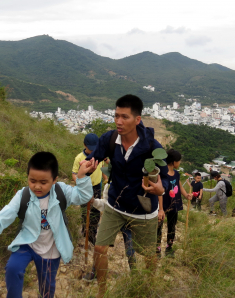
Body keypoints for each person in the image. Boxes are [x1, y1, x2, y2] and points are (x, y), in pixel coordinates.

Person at [0, 152, 96, 298]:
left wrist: (82, 177)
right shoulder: (23, 195)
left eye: (43, 182)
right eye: (32, 180)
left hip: (51, 249)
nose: (37, 186)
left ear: (54, 180)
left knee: (46, 288)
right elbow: (3, 216)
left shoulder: (61, 191)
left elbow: (83, 196)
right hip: (27, 243)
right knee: (13, 269)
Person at [85, 94, 168, 298]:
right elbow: (93, 158)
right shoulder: (110, 139)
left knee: (148, 255)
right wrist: (86, 166)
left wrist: (160, 189)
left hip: (143, 210)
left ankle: (147, 288)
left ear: (137, 119)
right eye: (116, 116)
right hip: (115, 204)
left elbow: (165, 178)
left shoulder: (151, 147)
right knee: (100, 248)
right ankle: (102, 292)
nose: (119, 121)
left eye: (124, 117)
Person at [72, 133, 107, 280]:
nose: (93, 151)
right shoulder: (79, 158)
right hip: (84, 187)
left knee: (96, 211)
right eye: (90, 148)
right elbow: (74, 173)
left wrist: (105, 178)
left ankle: (92, 232)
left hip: (97, 187)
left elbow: (102, 168)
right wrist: (79, 180)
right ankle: (86, 230)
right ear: (85, 145)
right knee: (84, 212)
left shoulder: (99, 156)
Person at [157, 149, 191, 257]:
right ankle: (157, 248)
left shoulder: (176, 174)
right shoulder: (162, 174)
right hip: (163, 204)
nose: (179, 163)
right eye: (179, 161)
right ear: (173, 162)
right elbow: (160, 192)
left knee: (172, 226)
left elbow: (179, 186)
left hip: (174, 204)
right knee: (159, 226)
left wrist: (186, 195)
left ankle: (169, 247)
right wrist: (161, 209)